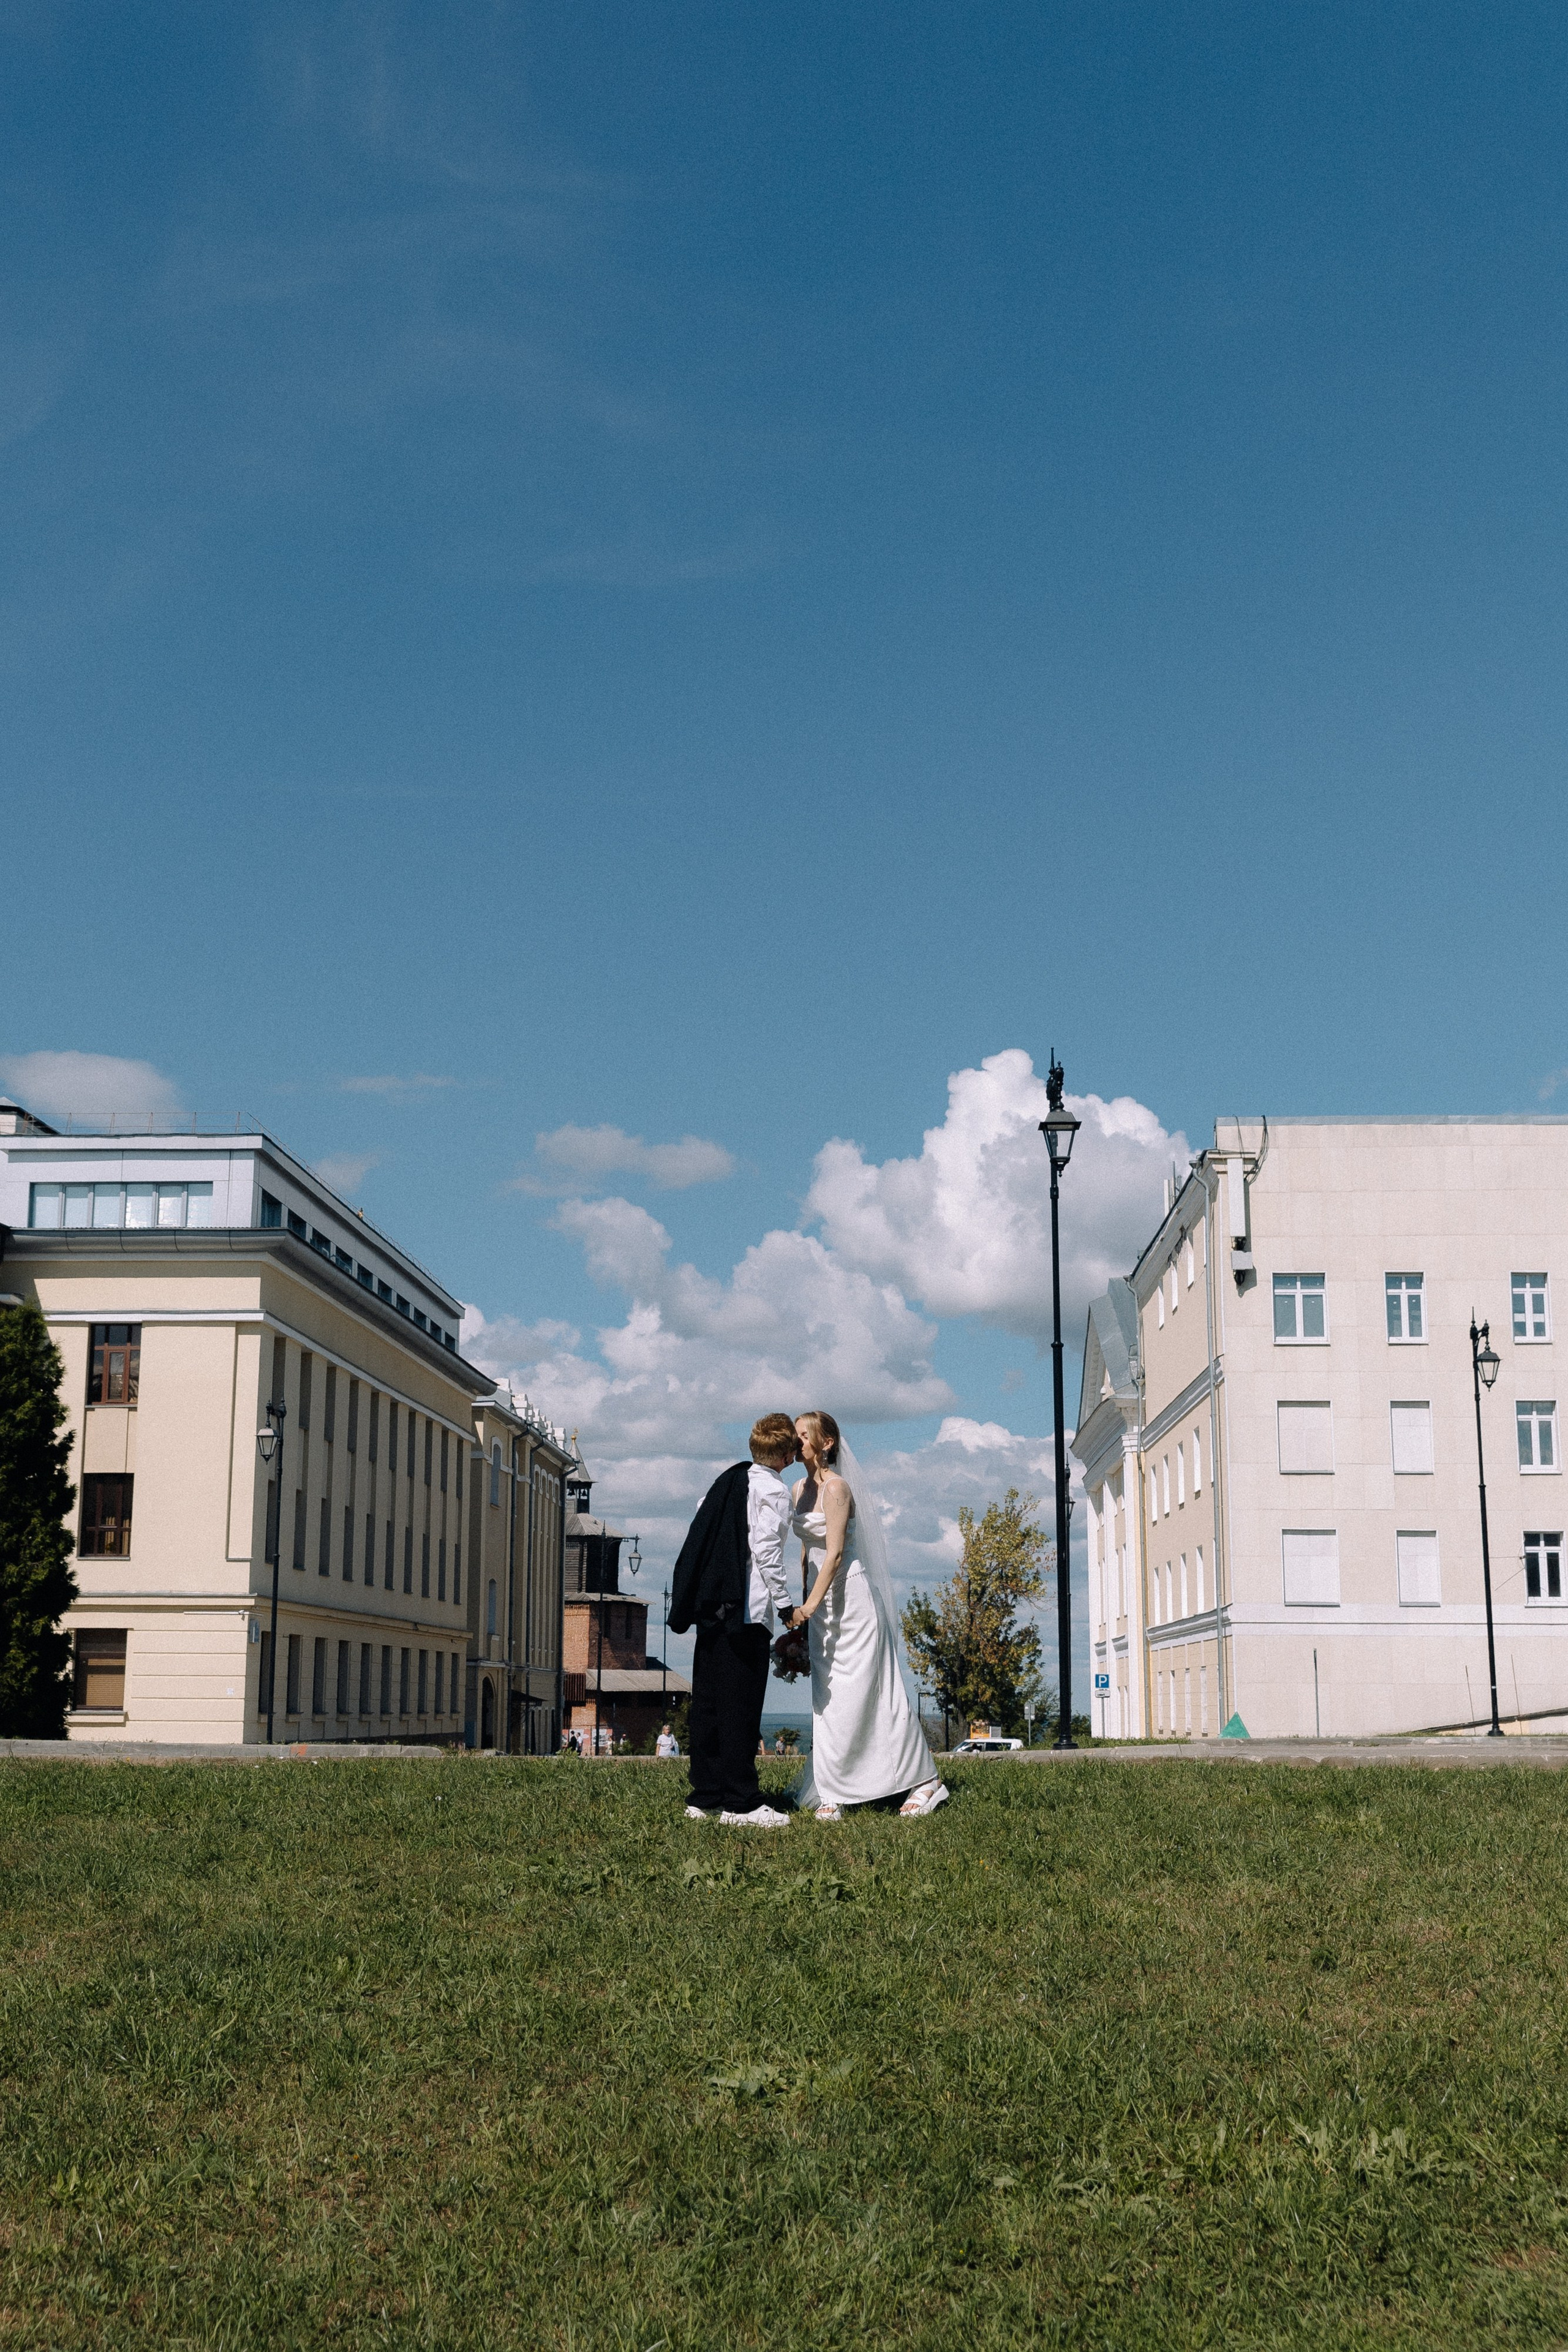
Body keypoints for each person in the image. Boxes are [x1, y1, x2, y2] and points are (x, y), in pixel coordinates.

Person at [791, 1411, 946, 1822]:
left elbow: (837, 1552)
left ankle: (925, 1780)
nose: (797, 1441)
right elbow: (808, 1552)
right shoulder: (797, 1489)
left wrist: (809, 1606)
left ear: (826, 1443)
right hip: (820, 1602)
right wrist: (803, 1604)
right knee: (829, 1698)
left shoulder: (838, 1489)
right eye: (795, 1435)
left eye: (804, 1435)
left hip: (853, 1599)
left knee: (870, 1691)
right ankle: (834, 1786)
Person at [668, 1412, 801, 1828]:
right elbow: (766, 1552)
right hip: (745, 1610)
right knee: (740, 1707)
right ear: (784, 1453)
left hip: (710, 1607)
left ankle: (704, 1795)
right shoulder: (773, 1492)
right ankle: (741, 1803)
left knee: (707, 1704)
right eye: (794, 1446)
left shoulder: (725, 1483)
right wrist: (785, 1606)